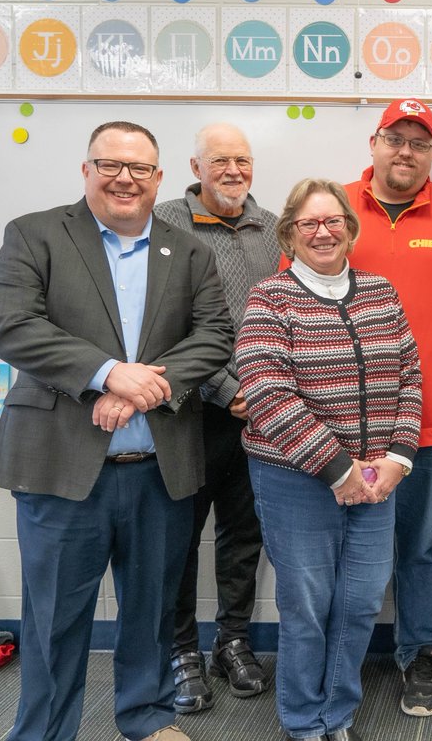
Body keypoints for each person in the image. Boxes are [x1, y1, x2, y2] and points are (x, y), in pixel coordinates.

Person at [0, 121, 234, 741]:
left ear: (160, 179)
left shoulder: (189, 252)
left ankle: (147, 718)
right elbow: (13, 324)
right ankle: (44, 732)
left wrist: (137, 387)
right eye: (110, 165)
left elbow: (214, 336)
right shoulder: (35, 234)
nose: (125, 178)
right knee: (53, 622)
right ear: (86, 170)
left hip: (159, 471)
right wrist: (107, 375)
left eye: (139, 169)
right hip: (61, 470)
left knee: (152, 613)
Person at [236, 178, 423, 741]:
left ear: (350, 228)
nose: (323, 232)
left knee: (362, 603)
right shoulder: (269, 297)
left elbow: (410, 376)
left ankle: (336, 714)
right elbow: (266, 391)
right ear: (289, 233)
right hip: (295, 479)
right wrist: (337, 468)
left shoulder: (380, 292)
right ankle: (302, 720)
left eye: (333, 221)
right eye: (309, 223)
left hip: (378, 478)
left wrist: (398, 456)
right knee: (308, 606)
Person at [343, 97, 432, 716]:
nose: (405, 151)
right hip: (340, 421)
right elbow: (287, 296)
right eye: (395, 138)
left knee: (420, 546)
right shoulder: (331, 206)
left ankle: (422, 652)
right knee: (343, 547)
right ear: (374, 142)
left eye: (419, 142)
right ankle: (335, 657)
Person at [155, 123, 278, 714]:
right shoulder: (163, 225)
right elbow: (159, 325)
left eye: (243, 161)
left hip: (260, 416)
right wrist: (224, 386)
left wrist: (262, 392)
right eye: (220, 161)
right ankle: (181, 650)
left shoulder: (275, 229)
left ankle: (233, 639)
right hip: (187, 413)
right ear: (195, 166)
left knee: (242, 535)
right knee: (178, 537)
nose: (233, 171)